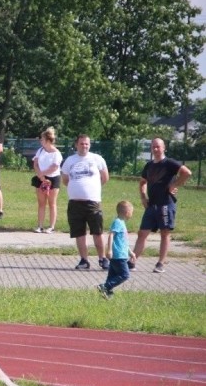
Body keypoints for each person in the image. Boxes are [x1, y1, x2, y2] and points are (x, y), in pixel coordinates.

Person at [131, 137, 192, 273]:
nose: (156, 149)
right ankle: (132, 261)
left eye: (158, 146)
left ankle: (160, 263)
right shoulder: (149, 165)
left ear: (164, 148)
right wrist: (143, 197)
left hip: (166, 204)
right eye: (153, 147)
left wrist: (174, 185)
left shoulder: (169, 163)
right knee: (142, 233)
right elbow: (142, 182)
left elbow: (187, 172)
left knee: (164, 233)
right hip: (151, 205)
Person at [61, 134, 109, 270]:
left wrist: (92, 189)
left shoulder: (97, 159)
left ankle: (102, 259)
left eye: (87, 144)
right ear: (76, 145)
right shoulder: (70, 160)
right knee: (79, 233)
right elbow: (65, 180)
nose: (84, 146)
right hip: (75, 203)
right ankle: (84, 260)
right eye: (82, 143)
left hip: (92, 202)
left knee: (97, 232)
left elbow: (105, 177)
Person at [97, 201, 136, 299]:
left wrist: (130, 252)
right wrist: (109, 250)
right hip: (118, 255)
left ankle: (107, 294)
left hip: (121, 254)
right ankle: (105, 287)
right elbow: (111, 235)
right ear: (127, 212)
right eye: (131, 211)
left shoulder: (121, 222)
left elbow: (122, 242)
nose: (132, 214)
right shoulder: (118, 222)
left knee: (112, 276)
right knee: (124, 275)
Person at [31, 127, 63, 233]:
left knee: (52, 203)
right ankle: (40, 226)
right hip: (40, 178)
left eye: (42, 139)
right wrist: (40, 176)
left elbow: (54, 167)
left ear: (48, 140)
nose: (41, 141)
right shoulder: (40, 150)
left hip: (53, 178)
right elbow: (35, 163)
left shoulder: (56, 153)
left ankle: (51, 226)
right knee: (41, 203)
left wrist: (42, 174)